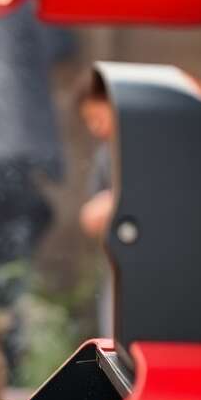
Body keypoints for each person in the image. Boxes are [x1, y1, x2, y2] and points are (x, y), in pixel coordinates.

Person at [76, 74, 115, 337]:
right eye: (88, 121)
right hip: (117, 268)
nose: (94, 128)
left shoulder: (159, 148)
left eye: (97, 118)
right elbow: (91, 214)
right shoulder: (106, 155)